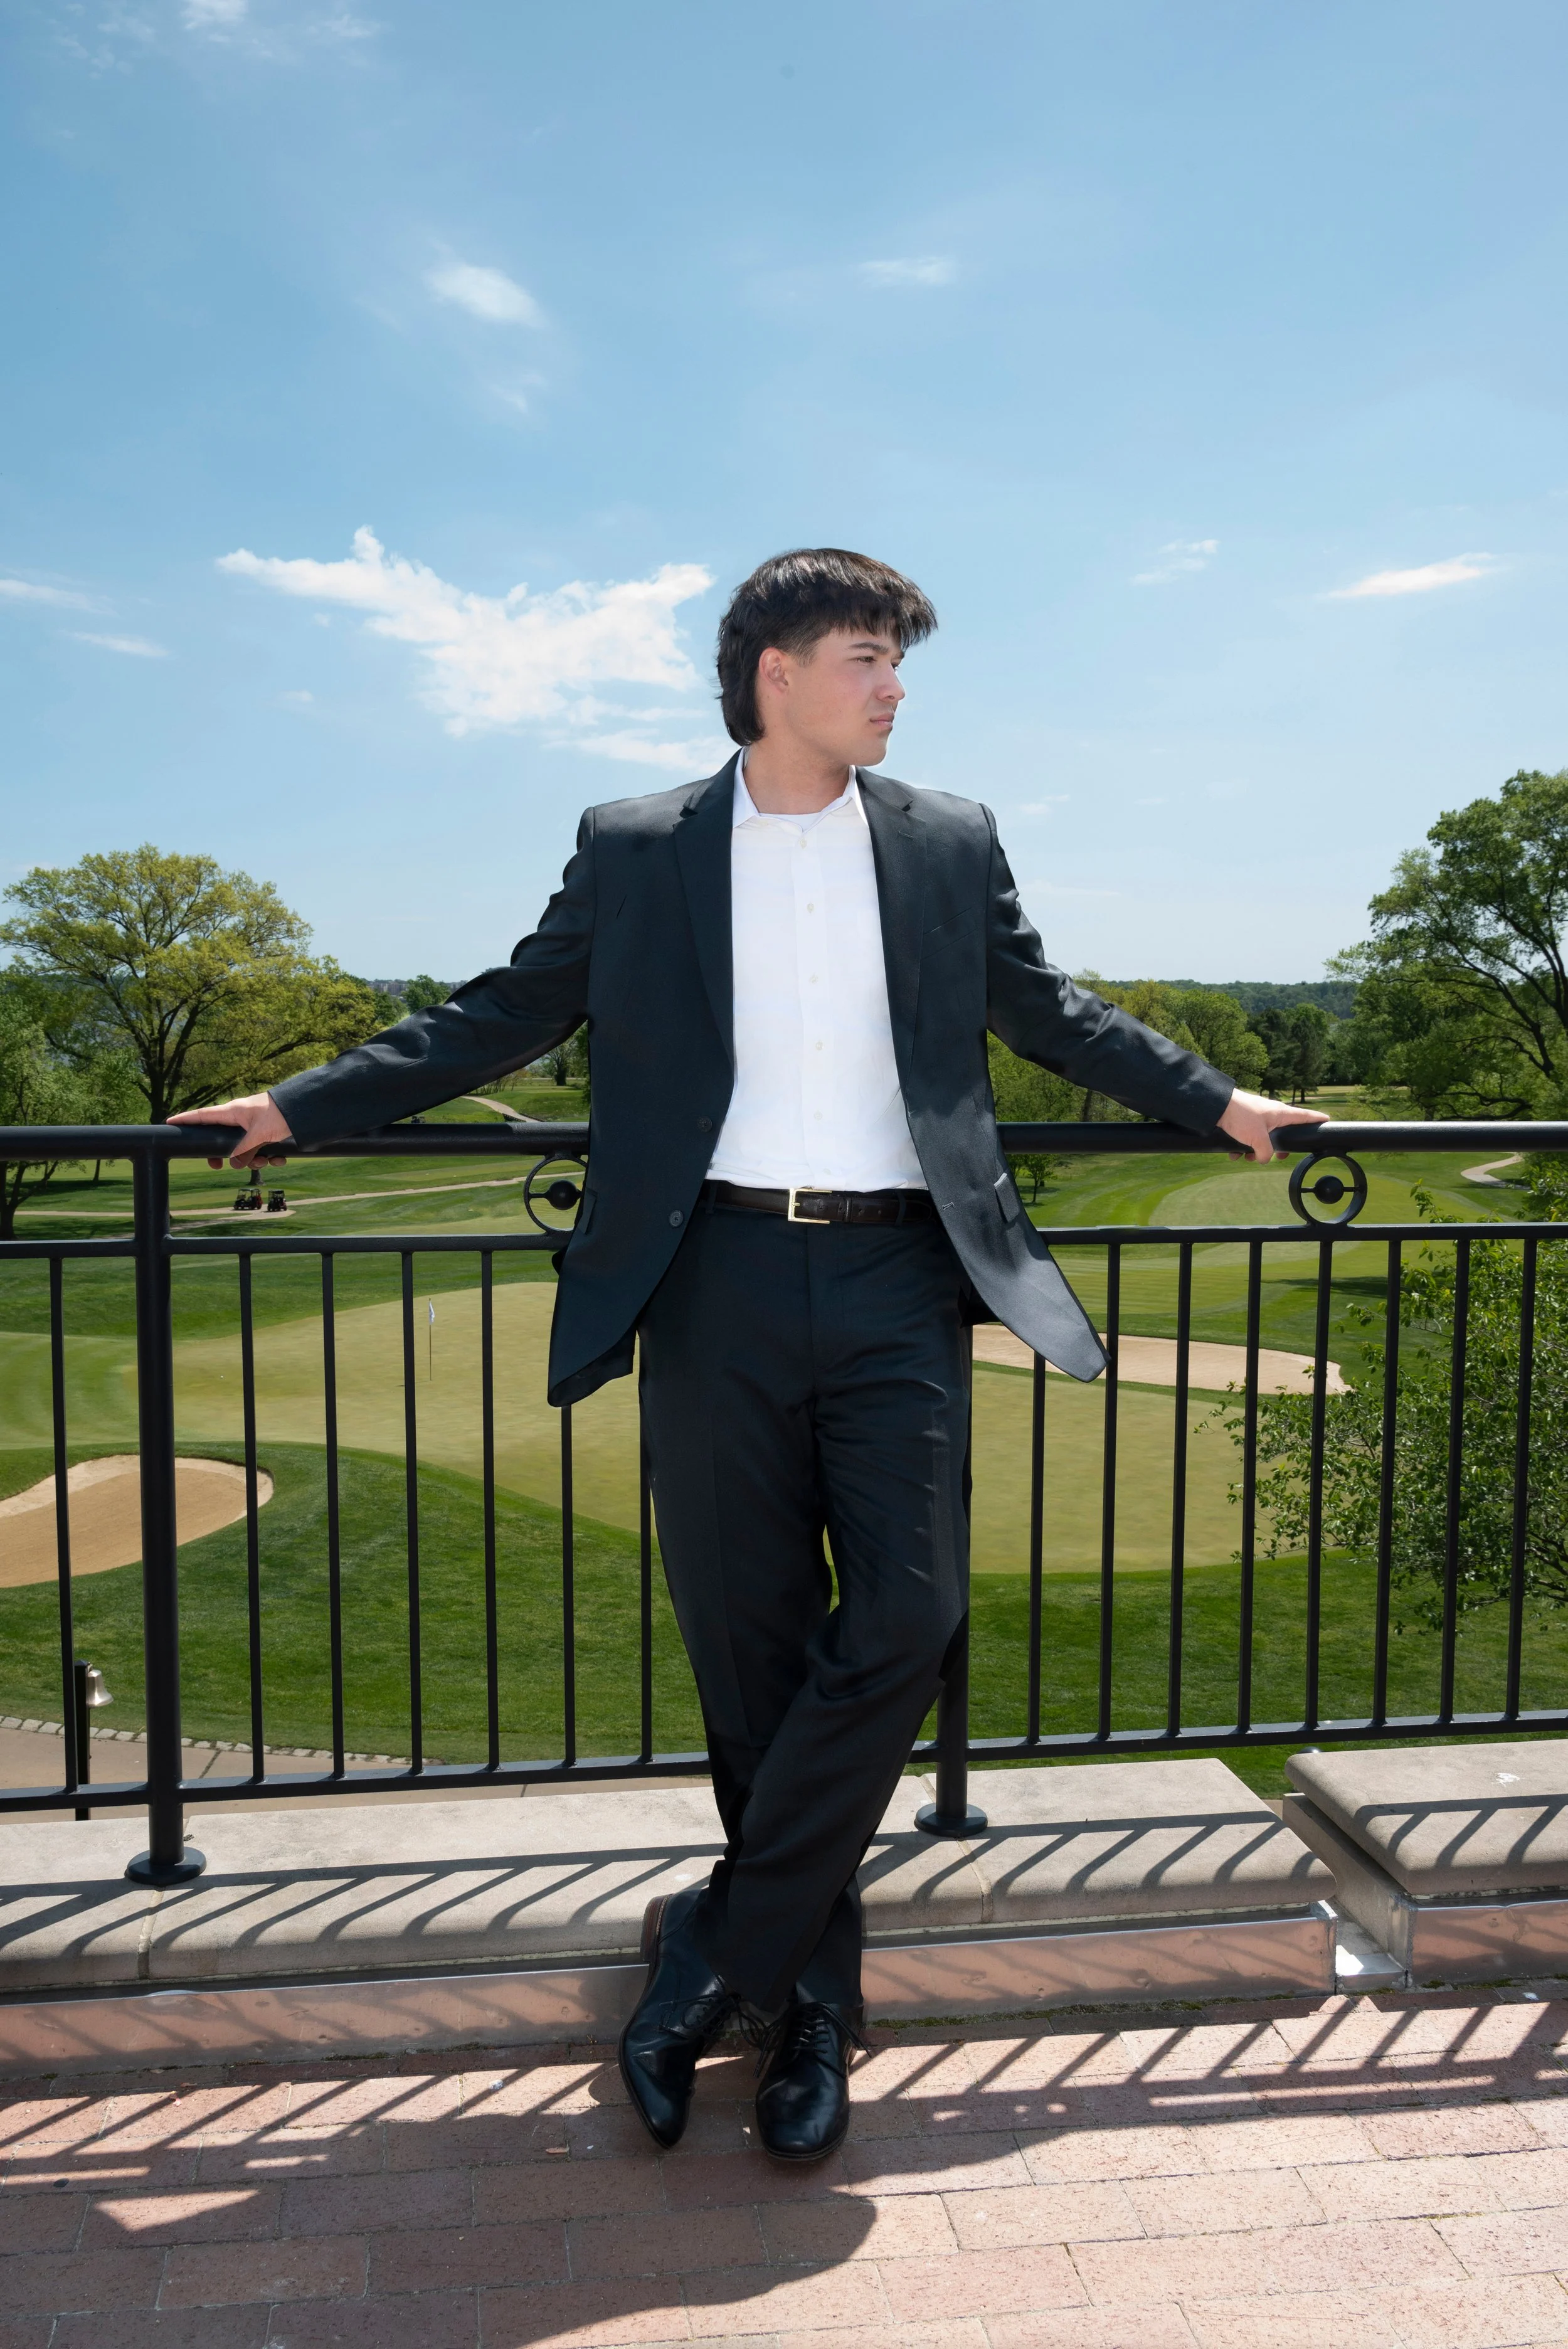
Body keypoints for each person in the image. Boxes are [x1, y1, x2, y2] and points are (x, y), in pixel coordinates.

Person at [174, 546, 1328, 2162]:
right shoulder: (637, 848)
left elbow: (1049, 1010)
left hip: (894, 1276)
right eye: (868, 657)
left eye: (896, 663)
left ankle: (711, 1952)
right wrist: (298, 1105)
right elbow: (499, 1013)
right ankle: (811, 2020)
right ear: (775, 671)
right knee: (752, 1656)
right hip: (706, 1276)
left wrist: (1223, 1104)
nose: (894, 687)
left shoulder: (945, 841)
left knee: (913, 1613)